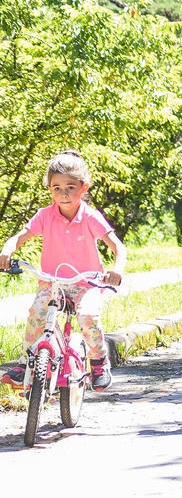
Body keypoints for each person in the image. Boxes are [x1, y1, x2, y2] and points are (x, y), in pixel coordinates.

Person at [0, 150, 126, 391]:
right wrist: (7, 250)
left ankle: (98, 362)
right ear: (49, 188)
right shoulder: (44, 216)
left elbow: (118, 247)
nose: (63, 193)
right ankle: (28, 361)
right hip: (52, 281)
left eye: (70, 186)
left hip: (87, 282)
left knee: (88, 316)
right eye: (56, 187)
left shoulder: (90, 217)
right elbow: (20, 236)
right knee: (37, 314)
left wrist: (116, 269)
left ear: (84, 186)